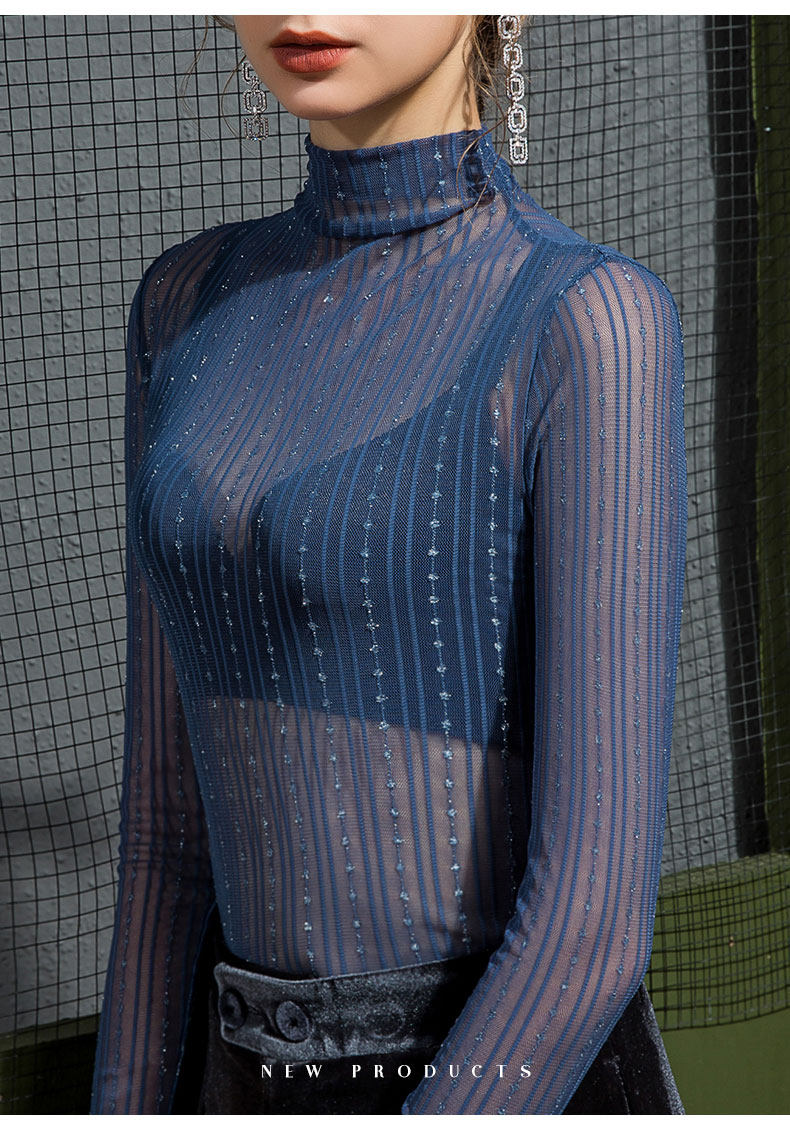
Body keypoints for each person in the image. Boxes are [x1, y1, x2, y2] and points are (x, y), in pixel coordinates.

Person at [89, 14, 687, 1115]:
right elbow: (165, 838)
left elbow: (592, 921)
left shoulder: (587, 320)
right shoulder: (182, 303)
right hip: (239, 1075)